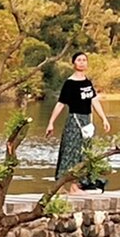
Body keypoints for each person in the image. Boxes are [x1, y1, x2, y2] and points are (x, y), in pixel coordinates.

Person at [45, 51, 110, 192]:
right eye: (79, 60)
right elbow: (60, 104)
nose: (82, 62)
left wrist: (104, 118)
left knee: (84, 153)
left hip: (87, 120)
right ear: (73, 63)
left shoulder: (87, 82)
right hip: (75, 120)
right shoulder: (70, 83)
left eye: (84, 60)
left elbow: (94, 100)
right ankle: (64, 186)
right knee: (70, 152)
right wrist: (51, 123)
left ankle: (78, 185)